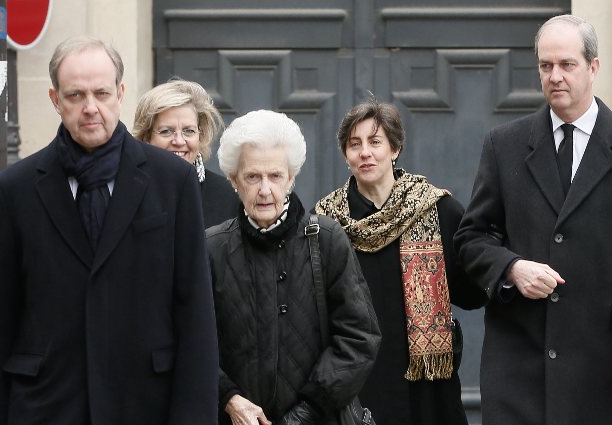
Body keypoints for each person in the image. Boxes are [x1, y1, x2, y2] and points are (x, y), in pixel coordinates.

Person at [0, 36, 218, 425]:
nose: (90, 108)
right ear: (55, 100)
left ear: (120, 94)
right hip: (45, 408)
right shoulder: (16, 189)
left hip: (144, 406)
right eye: (75, 95)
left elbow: (195, 316)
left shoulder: (172, 181)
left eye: (102, 93)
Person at [454, 15, 612, 425]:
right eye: (545, 66)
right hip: (516, 367)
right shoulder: (504, 145)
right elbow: (472, 238)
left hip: (600, 367)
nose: (554, 76)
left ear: (592, 67)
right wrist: (512, 268)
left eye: (567, 65)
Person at [315, 99, 487, 425]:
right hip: (357, 383)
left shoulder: (438, 211)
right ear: (345, 155)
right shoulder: (324, 223)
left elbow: (473, 293)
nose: (365, 152)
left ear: (394, 149)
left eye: (375, 142)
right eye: (355, 144)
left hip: (424, 389)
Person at [207, 109, 381, 425]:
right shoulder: (212, 248)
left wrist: (304, 413)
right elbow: (194, 340)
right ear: (234, 180)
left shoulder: (326, 239)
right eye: (252, 176)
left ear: (291, 178)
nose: (264, 190)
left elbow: (360, 338)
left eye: (275, 176)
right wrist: (229, 399)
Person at [133, 79, 240, 228]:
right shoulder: (128, 192)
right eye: (166, 131)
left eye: (188, 131)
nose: (179, 141)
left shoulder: (228, 197)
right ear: (146, 137)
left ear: (200, 136)